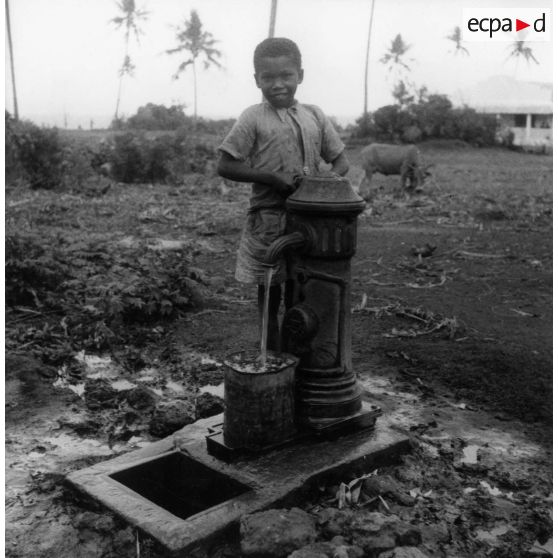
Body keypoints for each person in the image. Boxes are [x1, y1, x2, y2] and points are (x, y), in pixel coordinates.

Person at [217, 37, 349, 351]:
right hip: (269, 219)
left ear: (299, 75)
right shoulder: (253, 118)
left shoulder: (315, 116)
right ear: (256, 80)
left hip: (310, 222)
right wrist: (270, 178)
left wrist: (321, 185)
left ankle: (297, 355)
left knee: (303, 287)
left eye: (286, 76)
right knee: (269, 289)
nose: (278, 84)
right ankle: (269, 353)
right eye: (268, 78)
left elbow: (341, 161)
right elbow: (226, 164)